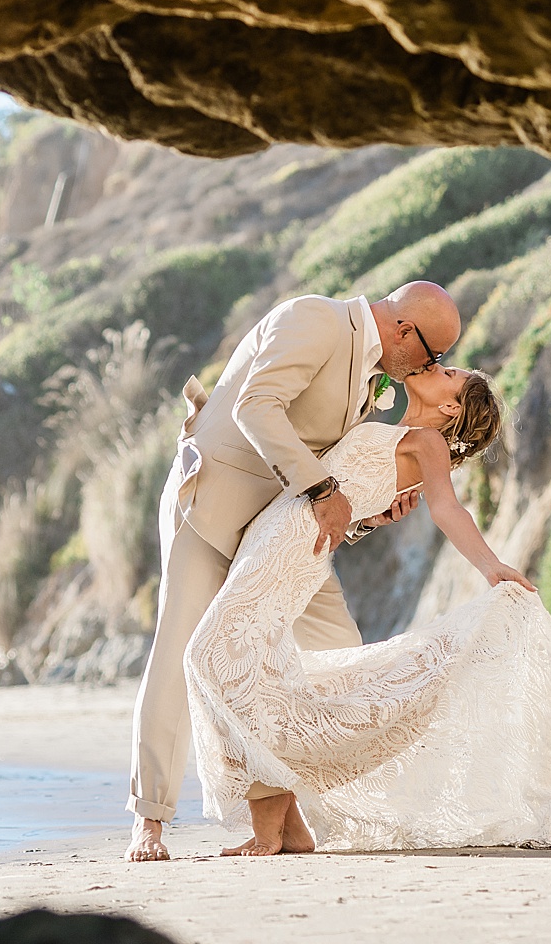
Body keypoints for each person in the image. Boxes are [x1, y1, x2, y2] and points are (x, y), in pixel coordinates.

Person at [182, 365, 551, 854]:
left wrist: (491, 566)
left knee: (208, 656)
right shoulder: (388, 425)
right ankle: (285, 829)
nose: (440, 365)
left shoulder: (426, 443)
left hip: (292, 548)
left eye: (451, 374)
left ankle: (276, 825)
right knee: (256, 675)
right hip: (275, 536)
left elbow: (447, 509)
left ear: (452, 407)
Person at [126, 281, 461, 862]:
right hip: (210, 505)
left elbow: (335, 478)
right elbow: (255, 405)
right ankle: (149, 820)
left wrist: (367, 514)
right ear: (405, 331)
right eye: (433, 355)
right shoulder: (315, 319)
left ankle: (301, 812)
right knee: (182, 651)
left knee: (338, 651)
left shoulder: (375, 383)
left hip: (282, 535)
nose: (432, 367)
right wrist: (325, 489)